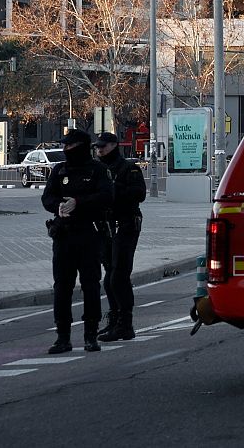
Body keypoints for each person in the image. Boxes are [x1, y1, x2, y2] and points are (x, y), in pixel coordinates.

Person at [41, 129, 113, 353]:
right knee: (62, 286)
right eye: (65, 146)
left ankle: (91, 335)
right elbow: (47, 197)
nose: (66, 150)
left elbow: (106, 197)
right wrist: (58, 207)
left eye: (70, 146)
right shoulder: (59, 169)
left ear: (81, 145)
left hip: (89, 234)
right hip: (64, 235)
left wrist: (78, 202)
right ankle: (63, 336)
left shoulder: (97, 170)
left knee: (91, 285)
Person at [94, 131, 146, 341]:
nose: (100, 150)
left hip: (125, 224)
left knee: (119, 276)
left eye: (103, 146)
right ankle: (115, 319)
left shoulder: (128, 168)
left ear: (114, 146)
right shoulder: (97, 169)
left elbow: (138, 194)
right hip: (104, 227)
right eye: (98, 147)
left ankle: (126, 324)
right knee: (109, 276)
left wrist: (113, 190)